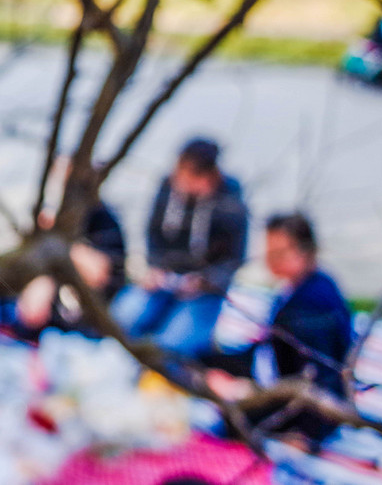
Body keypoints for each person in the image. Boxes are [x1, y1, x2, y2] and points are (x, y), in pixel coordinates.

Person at [206, 213, 352, 446]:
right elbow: (273, 345)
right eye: (268, 251)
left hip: (299, 399)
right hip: (278, 368)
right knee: (206, 360)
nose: (269, 260)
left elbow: (320, 379)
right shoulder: (305, 283)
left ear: (304, 252)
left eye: (277, 253)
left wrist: (306, 435)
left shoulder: (311, 310)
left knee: (225, 420)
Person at [111, 138, 248, 360]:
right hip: (165, 279)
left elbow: (235, 259)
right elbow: (152, 233)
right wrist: (153, 268)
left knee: (171, 344)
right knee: (122, 316)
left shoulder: (231, 202)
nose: (179, 180)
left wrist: (206, 281)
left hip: (205, 291)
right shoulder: (168, 187)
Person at [11, 199, 127, 338]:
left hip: (98, 328)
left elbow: (100, 273)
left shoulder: (98, 216)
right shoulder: (35, 231)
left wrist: (63, 246)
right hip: (47, 335)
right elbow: (31, 314)